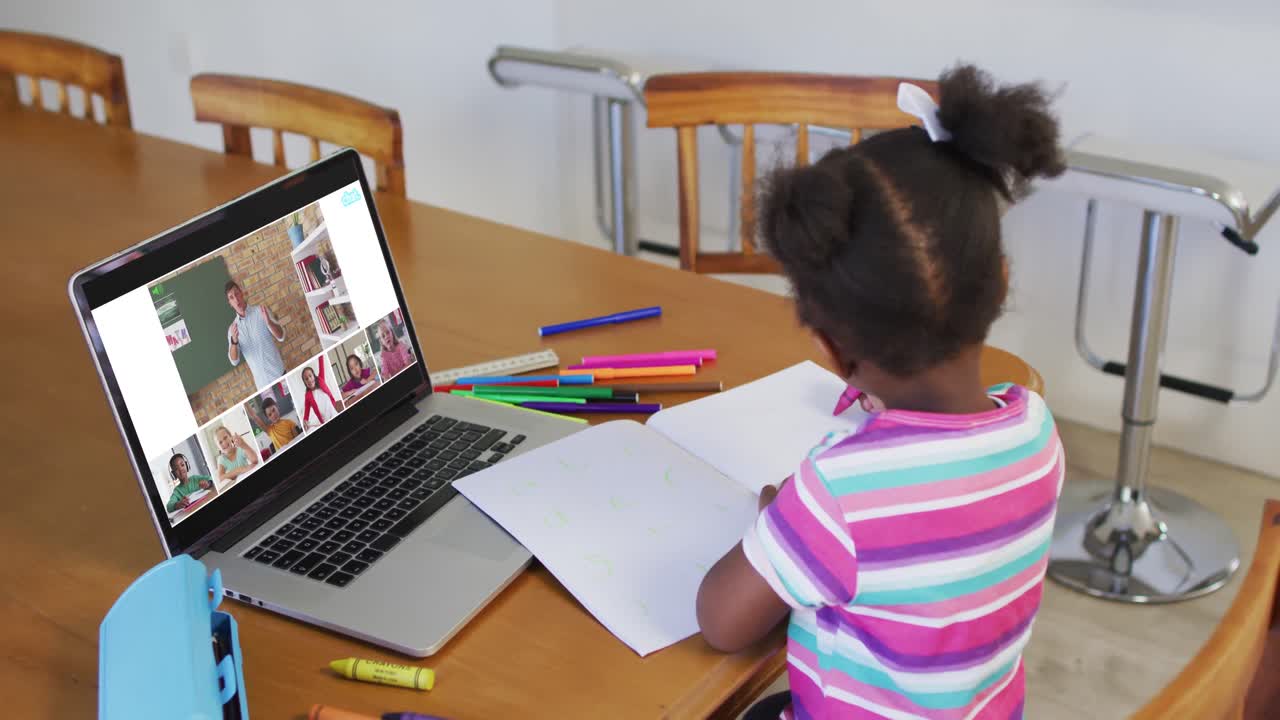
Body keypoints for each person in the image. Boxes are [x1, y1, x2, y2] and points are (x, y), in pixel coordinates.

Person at [697, 65, 1068, 720]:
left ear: (830, 345)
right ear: (1001, 281)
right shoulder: (1038, 430)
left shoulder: (839, 495)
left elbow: (721, 622)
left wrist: (781, 525)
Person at [225, 279, 286, 390]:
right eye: (231, 297)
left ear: (241, 293)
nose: (236, 299)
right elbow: (234, 361)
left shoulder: (261, 311)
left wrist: (269, 323)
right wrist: (234, 341)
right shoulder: (232, 330)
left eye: (236, 294)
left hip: (280, 376)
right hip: (263, 386)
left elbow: (281, 336)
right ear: (230, 303)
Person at [300, 362, 343, 430]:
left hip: (334, 411)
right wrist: (305, 419)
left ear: (314, 375)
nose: (309, 380)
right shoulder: (307, 395)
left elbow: (321, 364)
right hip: (325, 420)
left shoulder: (321, 379)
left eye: (310, 376)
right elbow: (307, 409)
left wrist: (320, 356)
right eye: (306, 379)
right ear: (304, 382)